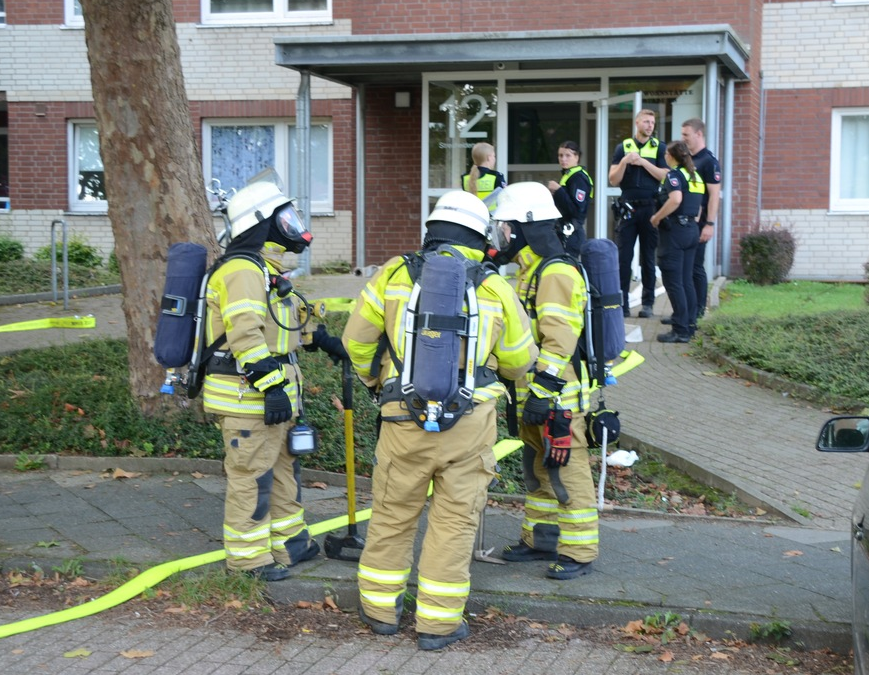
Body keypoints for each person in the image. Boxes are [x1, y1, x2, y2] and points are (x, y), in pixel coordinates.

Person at [342, 191, 537, 651]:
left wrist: (377, 382)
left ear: (431, 231)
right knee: (454, 522)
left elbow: (355, 341)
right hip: (470, 424)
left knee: (392, 514)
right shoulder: (495, 286)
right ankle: (438, 624)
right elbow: (518, 361)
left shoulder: (394, 273)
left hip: (402, 418)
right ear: (480, 237)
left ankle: (380, 611)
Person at [201, 171, 330, 582]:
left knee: (284, 471)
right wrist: (272, 387)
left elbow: (281, 326)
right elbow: (246, 335)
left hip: (270, 394)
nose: (292, 225)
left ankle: (290, 543)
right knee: (252, 477)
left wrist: (322, 339)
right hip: (247, 397)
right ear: (262, 223)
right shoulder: (242, 271)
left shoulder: (263, 270)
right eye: (284, 218)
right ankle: (248, 561)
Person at [490, 182, 599, 580]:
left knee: (567, 474)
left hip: (556, 399)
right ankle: (541, 539)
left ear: (526, 227)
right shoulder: (531, 271)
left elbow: (559, 340)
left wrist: (542, 392)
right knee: (538, 472)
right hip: (533, 396)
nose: (501, 235)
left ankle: (579, 551)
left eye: (506, 226)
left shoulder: (555, 272)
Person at [608, 109, 667, 318]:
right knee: (624, 257)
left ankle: (648, 304)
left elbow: (664, 175)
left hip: (650, 207)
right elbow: (613, 180)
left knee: (648, 258)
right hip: (628, 208)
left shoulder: (659, 147)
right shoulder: (623, 147)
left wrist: (642, 161)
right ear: (637, 122)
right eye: (646, 122)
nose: (650, 126)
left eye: (652, 122)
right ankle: (622, 303)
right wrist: (625, 161)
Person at [649, 141, 705, 344]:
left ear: (672, 156)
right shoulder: (695, 176)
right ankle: (689, 325)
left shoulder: (674, 175)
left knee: (674, 282)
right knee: (686, 280)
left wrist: (656, 217)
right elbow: (698, 208)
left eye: (666, 153)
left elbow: (676, 199)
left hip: (675, 232)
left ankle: (680, 330)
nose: (664, 156)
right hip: (691, 229)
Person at [679, 118, 721, 329]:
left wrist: (709, 224)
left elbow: (714, 195)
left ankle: (698, 312)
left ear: (699, 134)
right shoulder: (687, 159)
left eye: (686, 135)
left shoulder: (708, 161)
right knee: (684, 270)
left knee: (695, 268)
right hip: (686, 223)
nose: (683, 139)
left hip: (700, 224)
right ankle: (685, 312)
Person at [546, 141, 593, 258]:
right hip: (563, 231)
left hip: (572, 233)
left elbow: (577, 210)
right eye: (560, 155)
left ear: (577, 157)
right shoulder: (568, 175)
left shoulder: (579, 177)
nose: (563, 159)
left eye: (568, 155)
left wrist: (558, 190)